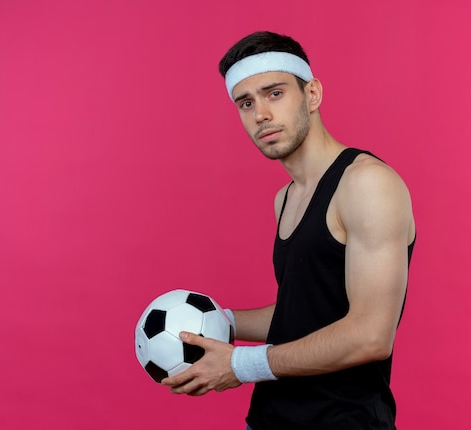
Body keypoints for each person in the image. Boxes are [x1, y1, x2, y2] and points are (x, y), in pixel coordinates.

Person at [162, 31, 416, 430]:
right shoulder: (285, 198)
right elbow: (303, 313)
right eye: (246, 103)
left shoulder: (366, 184)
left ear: (312, 94)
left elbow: (371, 334)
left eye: (274, 93)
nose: (260, 114)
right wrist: (217, 320)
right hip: (269, 419)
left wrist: (241, 365)